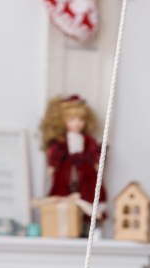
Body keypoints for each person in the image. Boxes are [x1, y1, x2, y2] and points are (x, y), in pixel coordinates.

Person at [39, 94, 106, 230]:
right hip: (66, 171)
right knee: (63, 193)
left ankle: (85, 225)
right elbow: (56, 153)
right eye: (72, 119)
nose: (77, 123)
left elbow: (93, 152)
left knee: (88, 194)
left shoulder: (87, 139)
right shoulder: (61, 141)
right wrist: (52, 166)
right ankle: (66, 225)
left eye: (80, 119)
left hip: (85, 172)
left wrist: (96, 164)